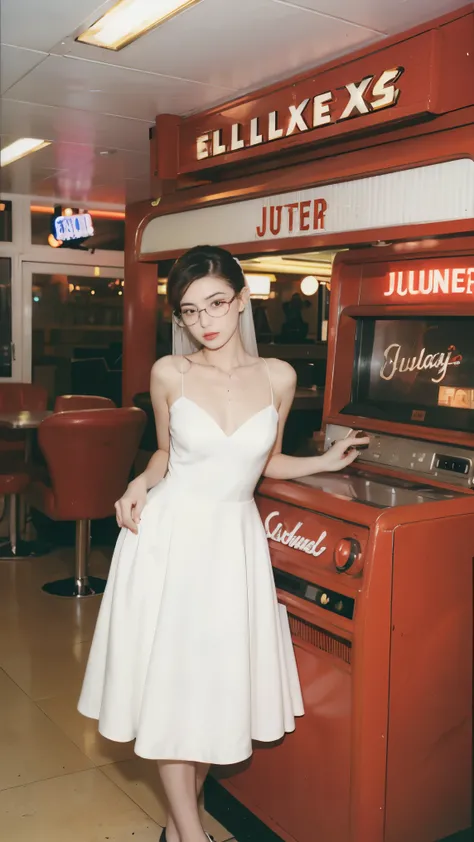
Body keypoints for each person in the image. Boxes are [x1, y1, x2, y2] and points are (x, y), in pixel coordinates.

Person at [78, 245, 369, 842]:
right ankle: (192, 834)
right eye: (189, 311)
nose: (205, 321)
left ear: (241, 300)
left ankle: (175, 824)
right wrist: (137, 483)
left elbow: (266, 464)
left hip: (234, 546)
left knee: (213, 689)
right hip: (170, 541)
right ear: (179, 320)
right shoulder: (170, 373)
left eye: (216, 303)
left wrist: (325, 460)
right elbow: (165, 452)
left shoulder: (279, 378)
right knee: (172, 688)